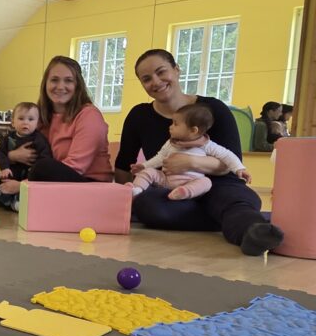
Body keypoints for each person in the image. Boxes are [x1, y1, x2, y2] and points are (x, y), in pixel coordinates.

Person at [115, 49, 283, 256]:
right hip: (171, 187)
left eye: (161, 72)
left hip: (217, 184)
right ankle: (229, 217)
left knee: (234, 198)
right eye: (147, 79)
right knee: (148, 205)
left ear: (177, 70)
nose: (156, 82)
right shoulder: (139, 115)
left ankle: (253, 232)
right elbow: (124, 164)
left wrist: (190, 162)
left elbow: (230, 161)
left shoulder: (213, 109)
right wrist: (124, 202)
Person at [0, 56, 112, 208]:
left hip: (86, 183)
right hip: (43, 181)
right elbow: (17, 148)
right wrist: (12, 156)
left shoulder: (89, 116)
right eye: (54, 80)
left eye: (68, 81)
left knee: (43, 167)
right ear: (45, 83)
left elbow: (76, 167)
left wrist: (22, 185)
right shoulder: (40, 115)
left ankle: (25, 201)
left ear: (78, 85)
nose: (60, 86)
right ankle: (20, 204)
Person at [129, 103, 250, 199]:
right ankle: (136, 189)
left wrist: (239, 168)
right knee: (149, 172)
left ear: (193, 130)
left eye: (175, 124)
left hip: (191, 181)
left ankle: (184, 192)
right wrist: (144, 166)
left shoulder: (206, 145)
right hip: (166, 180)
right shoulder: (171, 143)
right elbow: (160, 157)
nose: (170, 126)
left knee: (206, 182)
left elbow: (227, 155)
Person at [0, 101, 52, 209]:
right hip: (13, 172)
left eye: (30, 119)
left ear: (37, 123)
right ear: (13, 122)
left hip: (30, 175)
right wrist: (4, 168)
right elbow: (1, 152)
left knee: (31, 181)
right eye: (21, 119)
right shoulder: (8, 138)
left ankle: (19, 200)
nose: (25, 123)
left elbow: (45, 158)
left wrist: (36, 168)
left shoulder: (39, 139)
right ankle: (6, 197)